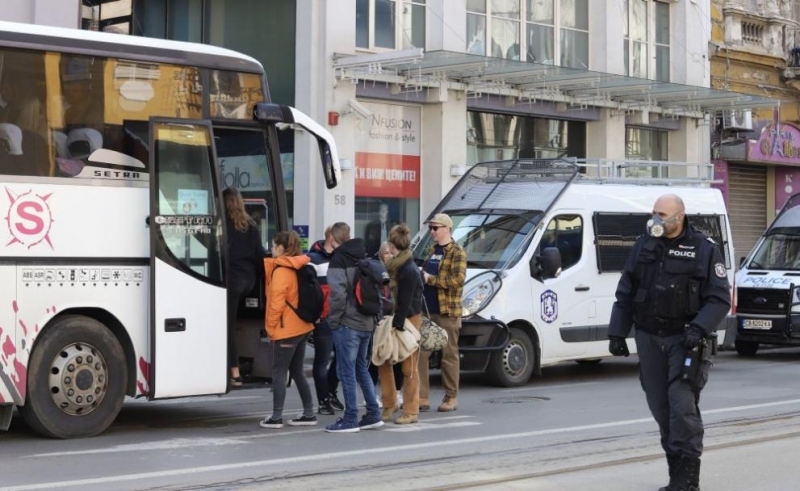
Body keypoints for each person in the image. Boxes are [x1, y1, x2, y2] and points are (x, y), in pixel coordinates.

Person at [608, 194, 731, 491]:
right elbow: (627, 288)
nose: (656, 219)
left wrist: (699, 329)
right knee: (660, 408)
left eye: (662, 214)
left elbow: (719, 298)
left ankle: (686, 482)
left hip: (684, 341)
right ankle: (675, 475)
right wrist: (617, 332)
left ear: (679, 217)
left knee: (681, 407)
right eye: (654, 213)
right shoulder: (643, 244)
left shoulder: (704, 249)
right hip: (649, 338)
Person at [325, 222, 383, 433]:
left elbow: (338, 294)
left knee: (346, 371)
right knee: (361, 369)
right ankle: (373, 413)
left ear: (332, 239)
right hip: (367, 322)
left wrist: (334, 320)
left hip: (348, 324)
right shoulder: (363, 257)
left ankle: (350, 418)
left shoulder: (339, 260)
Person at [260, 231, 318, 429]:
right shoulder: (299, 265)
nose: (271, 248)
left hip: (287, 329)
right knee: (297, 372)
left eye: (274, 245)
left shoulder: (282, 271)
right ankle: (309, 413)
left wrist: (270, 328)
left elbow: (276, 304)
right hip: (302, 326)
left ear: (282, 249)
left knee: (278, 372)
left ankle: (276, 417)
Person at [418, 213, 467, 413]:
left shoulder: (457, 252)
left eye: (436, 228)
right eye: (431, 228)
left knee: (449, 355)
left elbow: (457, 281)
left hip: (447, 311)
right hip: (428, 310)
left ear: (447, 228)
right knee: (421, 353)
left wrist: (431, 279)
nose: (432, 232)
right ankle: (421, 397)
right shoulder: (432, 250)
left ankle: (451, 396)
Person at [378, 226, 423, 424]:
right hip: (399, 317)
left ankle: (411, 411)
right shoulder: (398, 265)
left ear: (392, 244)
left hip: (408, 319)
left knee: (409, 367)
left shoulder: (407, 269)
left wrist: (397, 324)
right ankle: (390, 404)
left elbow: (405, 301)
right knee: (384, 359)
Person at [223, 187, 266, 387]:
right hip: (247, 281)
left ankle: (234, 372)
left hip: (230, 281)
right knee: (232, 323)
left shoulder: (222, 225)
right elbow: (259, 256)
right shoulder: (250, 225)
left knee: (227, 327)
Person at [308, 225, 339, 415]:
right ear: (331, 239)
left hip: (339, 316)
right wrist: (315, 316)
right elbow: (309, 292)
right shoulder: (312, 260)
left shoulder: (340, 259)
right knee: (322, 360)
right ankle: (323, 400)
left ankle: (331, 391)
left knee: (343, 359)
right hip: (323, 318)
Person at [378, 241, 405, 408]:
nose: (388, 256)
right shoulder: (378, 272)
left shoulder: (400, 271)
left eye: (390, 253)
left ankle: (397, 392)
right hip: (382, 320)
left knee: (398, 358)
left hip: (397, 318)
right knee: (381, 359)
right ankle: (385, 394)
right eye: (385, 253)